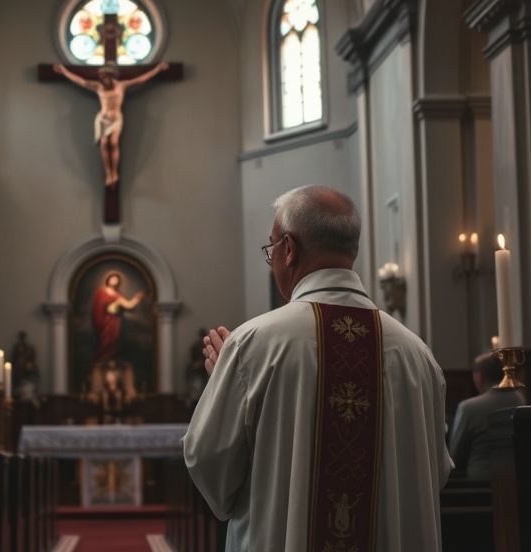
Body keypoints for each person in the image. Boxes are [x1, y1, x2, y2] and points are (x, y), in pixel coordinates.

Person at [184, 186, 453, 552]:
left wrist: (227, 383)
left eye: (271, 249)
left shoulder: (252, 345)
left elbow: (211, 467)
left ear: (289, 249)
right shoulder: (417, 355)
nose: (272, 260)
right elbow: (433, 475)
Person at [53, 61, 170, 186]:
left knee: (113, 142)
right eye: (101, 78)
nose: (103, 81)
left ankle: (115, 172)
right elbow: (82, 81)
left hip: (116, 118)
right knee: (104, 143)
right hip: (103, 118)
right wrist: (64, 72)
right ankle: (108, 173)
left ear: (111, 77)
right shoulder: (98, 87)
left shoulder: (121, 86)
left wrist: (158, 69)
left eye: (105, 78)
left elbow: (141, 79)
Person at [449, 352, 526, 479]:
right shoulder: (520, 400)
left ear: (478, 377)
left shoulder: (468, 407)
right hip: (516, 479)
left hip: (478, 482)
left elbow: (455, 457)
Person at [90, 272, 145, 363]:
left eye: (116, 279)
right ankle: (100, 361)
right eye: (112, 278)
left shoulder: (117, 294)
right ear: (108, 280)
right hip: (102, 320)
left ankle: (109, 360)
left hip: (114, 321)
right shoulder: (101, 291)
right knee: (104, 341)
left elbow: (129, 305)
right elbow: (97, 306)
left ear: (118, 282)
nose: (114, 280)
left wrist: (137, 298)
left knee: (113, 340)